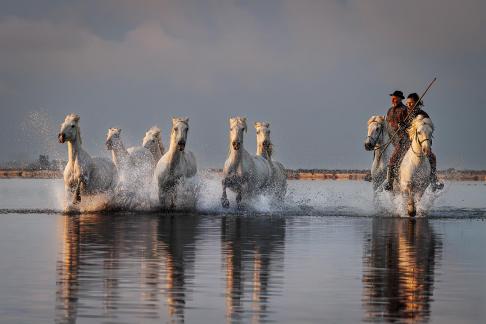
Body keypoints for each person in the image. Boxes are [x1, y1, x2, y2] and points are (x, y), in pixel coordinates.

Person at [404, 93, 444, 191]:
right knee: (394, 157)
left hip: (421, 141)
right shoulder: (404, 112)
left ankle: (433, 180)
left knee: (432, 157)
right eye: (407, 103)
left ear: (416, 103)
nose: (409, 105)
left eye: (411, 103)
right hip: (404, 140)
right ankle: (391, 180)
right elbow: (397, 126)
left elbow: (428, 128)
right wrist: (401, 125)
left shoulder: (423, 114)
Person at [384, 90, 408, 191]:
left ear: (400, 98)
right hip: (391, 139)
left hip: (403, 140)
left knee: (392, 160)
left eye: (394, 97)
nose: (392, 99)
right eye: (392, 97)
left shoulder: (405, 109)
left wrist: (404, 125)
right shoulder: (389, 110)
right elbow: (387, 124)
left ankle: (389, 183)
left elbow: (411, 123)